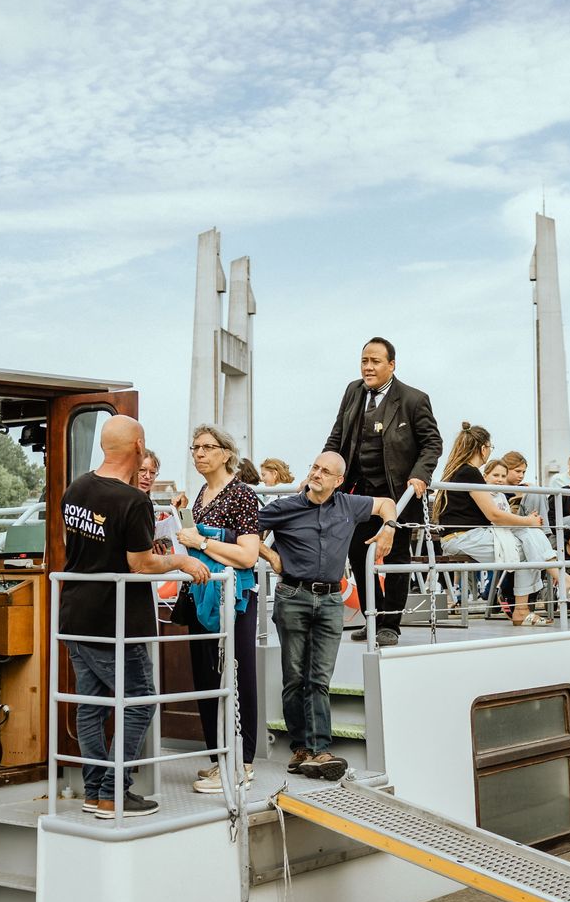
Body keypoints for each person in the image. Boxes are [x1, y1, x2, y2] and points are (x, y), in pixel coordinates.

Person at [57, 415, 210, 820]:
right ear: (139, 447)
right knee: (140, 701)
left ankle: (95, 791)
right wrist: (182, 561)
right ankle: (114, 794)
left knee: (91, 705)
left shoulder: (76, 489)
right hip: (115, 621)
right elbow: (140, 564)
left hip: (75, 615)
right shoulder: (134, 501)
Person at [258, 451, 396, 780]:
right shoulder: (284, 507)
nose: (317, 474)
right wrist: (271, 557)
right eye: (315, 468)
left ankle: (320, 750)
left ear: (339, 481)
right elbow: (246, 529)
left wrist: (389, 528)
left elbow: (386, 504)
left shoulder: (349, 505)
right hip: (293, 596)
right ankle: (301, 749)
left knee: (319, 678)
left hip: (332, 600)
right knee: (294, 677)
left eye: (325, 471)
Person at [321, 336, 443, 647]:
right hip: (358, 491)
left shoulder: (414, 399)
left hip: (397, 492)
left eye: (375, 361)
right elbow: (337, 436)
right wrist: (320, 470)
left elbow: (432, 443)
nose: (368, 367)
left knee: (397, 556)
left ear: (391, 365)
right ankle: (372, 617)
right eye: (364, 361)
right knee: (357, 551)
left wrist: (420, 475)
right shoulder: (353, 391)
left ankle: (391, 624)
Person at [173, 424, 264, 795]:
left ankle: (242, 762)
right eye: (195, 447)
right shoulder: (201, 494)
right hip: (201, 594)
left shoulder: (242, 494)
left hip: (233, 598)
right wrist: (184, 525)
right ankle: (219, 757)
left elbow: (248, 555)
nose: (199, 453)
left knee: (237, 676)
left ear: (226, 453)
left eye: (207, 447)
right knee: (206, 677)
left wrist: (202, 541)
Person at [474, 453, 570, 622]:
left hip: (532, 531)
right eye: (517, 471)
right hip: (516, 532)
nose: (521, 475)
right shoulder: (489, 492)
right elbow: (498, 517)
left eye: (523, 472)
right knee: (536, 497)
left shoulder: (510, 490)